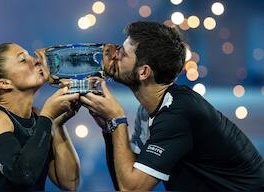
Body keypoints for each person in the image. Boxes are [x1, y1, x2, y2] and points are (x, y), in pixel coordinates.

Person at [80, 21, 264, 191]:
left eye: (124, 54)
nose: (115, 56)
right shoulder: (149, 110)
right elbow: (124, 180)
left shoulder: (177, 113)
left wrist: (117, 119)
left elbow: (131, 189)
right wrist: (109, 128)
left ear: (144, 72)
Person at [0, 43, 80, 191]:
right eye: (23, 59)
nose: (36, 60)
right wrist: (48, 117)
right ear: (4, 83)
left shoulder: (38, 117)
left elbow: (70, 183)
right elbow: (23, 174)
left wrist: (57, 124)